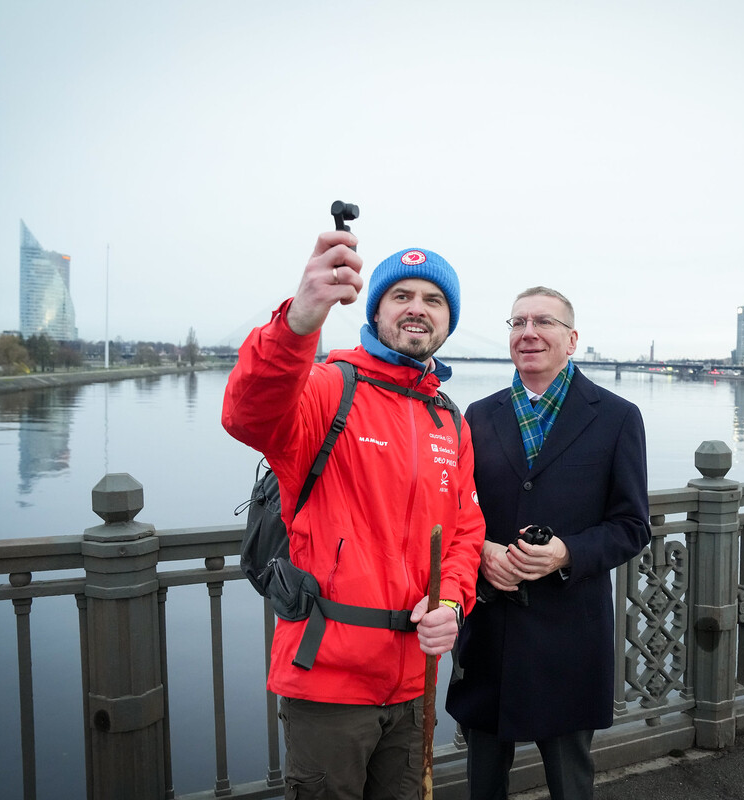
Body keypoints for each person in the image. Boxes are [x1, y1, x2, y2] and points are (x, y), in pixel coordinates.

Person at [222, 229, 485, 799]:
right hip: (327, 683)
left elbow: (465, 531)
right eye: (401, 295)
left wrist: (450, 601)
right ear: (376, 310)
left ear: (448, 321)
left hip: (414, 683)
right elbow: (247, 414)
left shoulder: (450, 421)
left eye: (433, 299)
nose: (417, 308)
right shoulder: (326, 389)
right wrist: (298, 322)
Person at [445, 286, 650, 800]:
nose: (528, 333)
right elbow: (454, 511)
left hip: (570, 634)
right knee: (483, 779)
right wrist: (483, 551)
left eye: (543, 322)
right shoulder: (477, 416)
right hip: (490, 627)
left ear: (572, 339)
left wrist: (566, 553)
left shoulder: (618, 417)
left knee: (570, 781)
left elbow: (632, 525)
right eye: (517, 323)